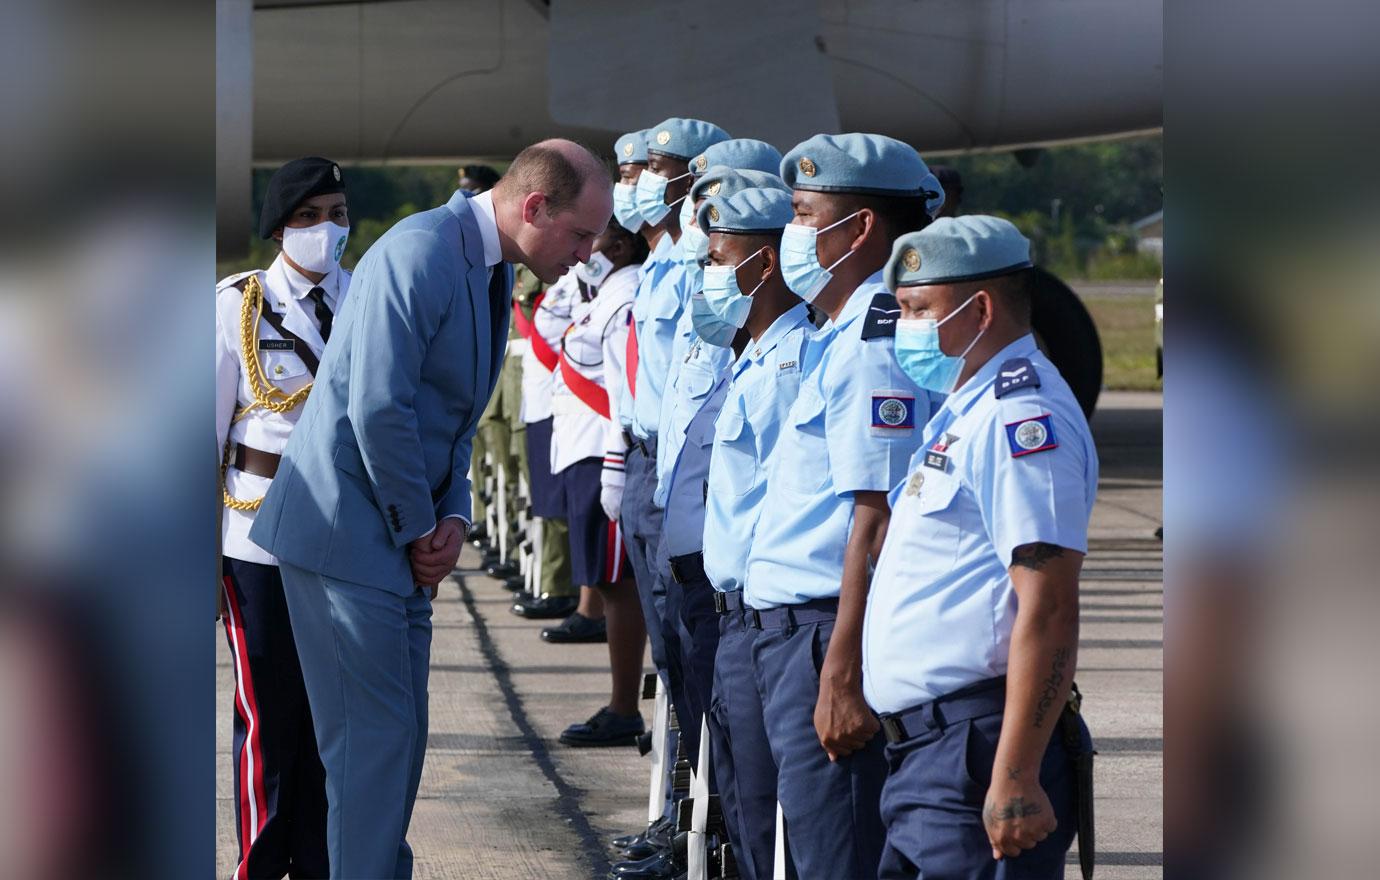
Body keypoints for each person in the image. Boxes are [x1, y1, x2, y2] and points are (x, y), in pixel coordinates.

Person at [248, 140, 613, 879]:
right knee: (372, 752)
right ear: (533, 207)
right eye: (579, 234)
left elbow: (452, 418)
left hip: (389, 536)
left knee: (397, 745)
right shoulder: (422, 253)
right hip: (344, 536)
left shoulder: (486, 265)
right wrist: (421, 526)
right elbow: (380, 409)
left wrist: (452, 517)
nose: (585, 255)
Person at [863, 216, 1096, 879]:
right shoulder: (966, 408)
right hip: (930, 753)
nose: (905, 326)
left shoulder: (1025, 421)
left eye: (918, 309)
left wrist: (1017, 773)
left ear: (981, 308)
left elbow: (1048, 606)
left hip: (975, 749)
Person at [742, 133, 946, 878]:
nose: (792, 233)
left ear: (859, 229)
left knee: (839, 855)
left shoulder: (875, 338)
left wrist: (842, 671)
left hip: (823, 633)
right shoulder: (841, 330)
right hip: (794, 635)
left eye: (802, 214)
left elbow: (879, 513)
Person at [215, 156, 351, 880]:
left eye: (336, 213)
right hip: (256, 540)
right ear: (279, 228)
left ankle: (324, 864)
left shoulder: (366, 300)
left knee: (334, 727)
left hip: (346, 546)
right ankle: (261, 869)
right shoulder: (235, 304)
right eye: (308, 217)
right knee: (270, 724)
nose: (326, 230)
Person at [695, 184, 810, 880]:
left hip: (768, 619)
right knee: (741, 800)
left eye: (718, 259)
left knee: (773, 816)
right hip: (734, 616)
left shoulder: (799, 363)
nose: (708, 277)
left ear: (761, 266)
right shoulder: (755, 355)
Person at [548, 217, 652, 746]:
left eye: (602, 237)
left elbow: (623, 390)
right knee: (608, 581)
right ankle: (621, 702)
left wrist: (615, 465)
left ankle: (623, 706)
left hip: (600, 449)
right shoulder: (604, 292)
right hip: (581, 447)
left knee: (619, 584)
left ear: (624, 242)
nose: (590, 248)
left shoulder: (627, 294)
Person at [511, 266, 583, 622]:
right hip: (540, 402)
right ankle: (551, 581)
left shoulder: (585, 281)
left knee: (556, 503)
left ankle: (560, 587)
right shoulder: (567, 281)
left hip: (559, 403)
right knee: (545, 499)